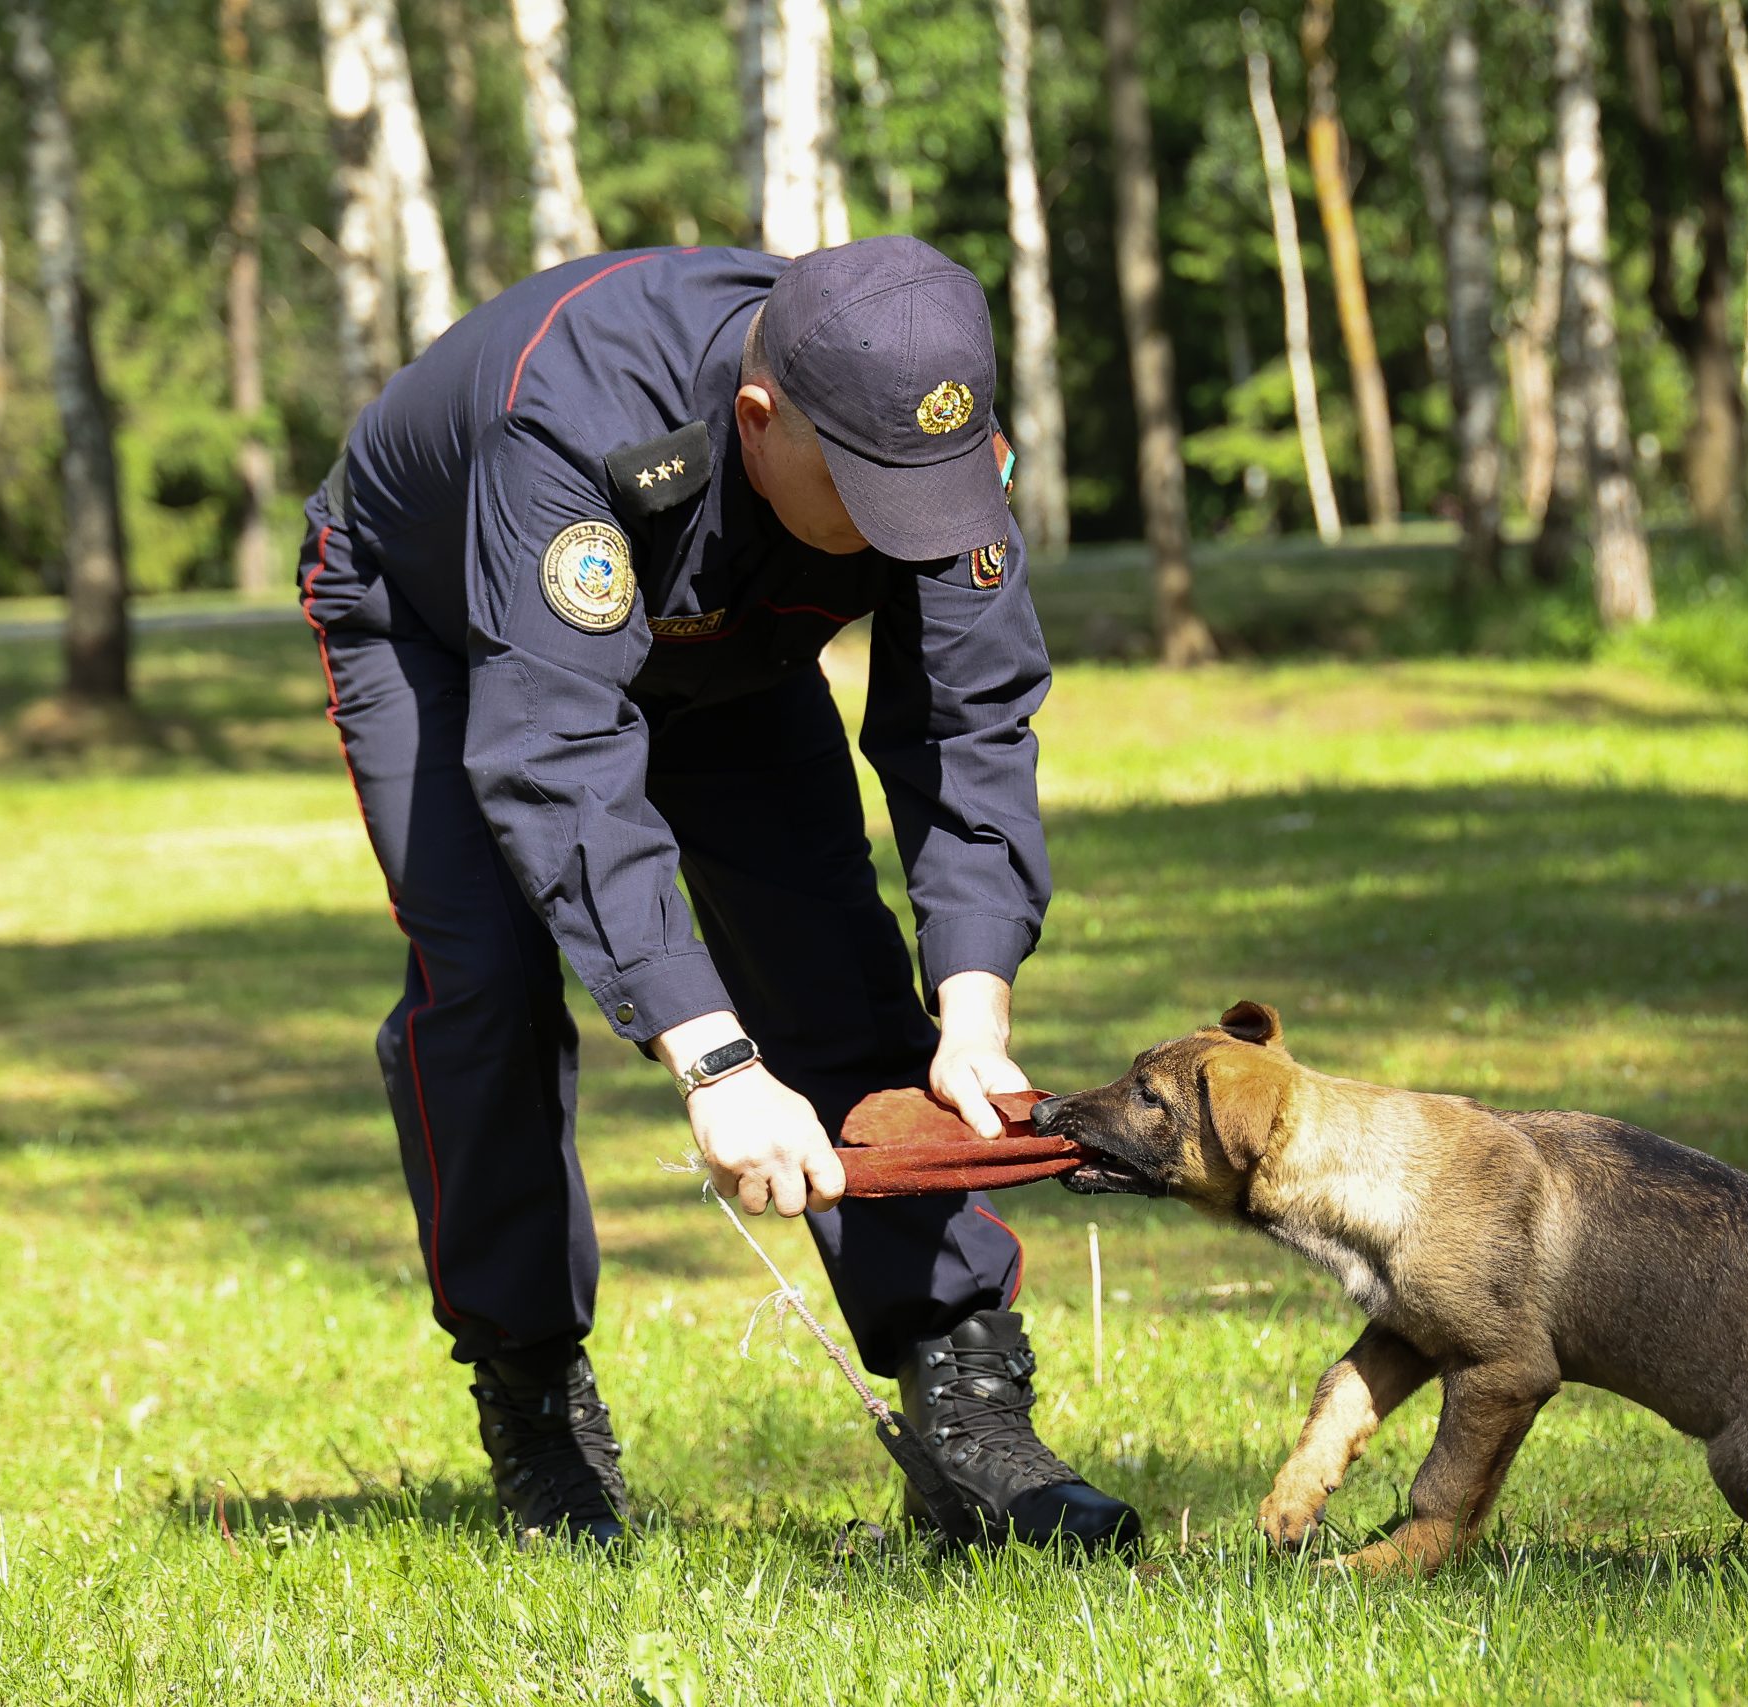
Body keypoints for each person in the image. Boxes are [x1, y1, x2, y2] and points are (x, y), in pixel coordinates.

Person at [293, 235, 1137, 1552]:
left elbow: (970, 727)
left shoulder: (922, 424)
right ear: (759, 421)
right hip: (443, 615)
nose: (908, 531)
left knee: (830, 960)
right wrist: (715, 1062)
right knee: (491, 986)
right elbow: (560, 763)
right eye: (872, 496)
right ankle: (532, 1403)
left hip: (724, 635)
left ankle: (963, 1402)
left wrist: (975, 1008)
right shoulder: (570, 421)